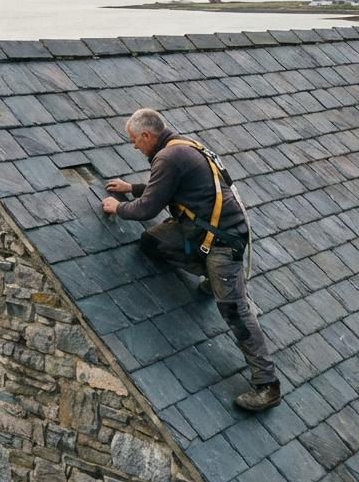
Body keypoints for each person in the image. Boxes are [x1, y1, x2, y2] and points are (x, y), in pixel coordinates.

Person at [101, 108, 280, 412]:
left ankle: (267, 384)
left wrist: (117, 207)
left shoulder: (168, 157)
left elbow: (147, 209)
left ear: (147, 135)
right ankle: (210, 274)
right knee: (152, 243)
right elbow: (165, 188)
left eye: (134, 140)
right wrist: (131, 188)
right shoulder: (181, 147)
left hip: (223, 241)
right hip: (200, 229)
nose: (134, 147)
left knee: (234, 310)